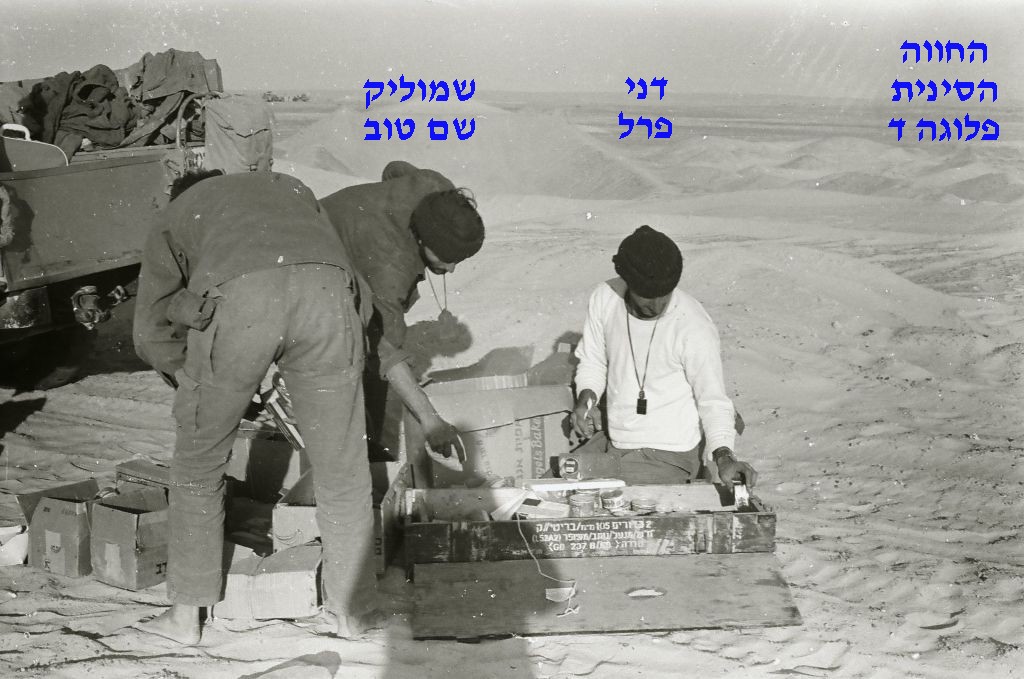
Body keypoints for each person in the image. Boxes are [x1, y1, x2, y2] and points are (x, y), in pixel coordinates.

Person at [132, 169, 378, 644]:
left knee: (199, 466)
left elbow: (149, 332)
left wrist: (194, 380)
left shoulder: (176, 212)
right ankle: (352, 612)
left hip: (241, 302)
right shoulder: (289, 188)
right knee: (343, 468)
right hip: (328, 298)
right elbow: (361, 298)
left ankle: (185, 618)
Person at [568, 225, 757, 487]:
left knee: (586, 502)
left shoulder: (693, 325)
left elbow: (713, 399)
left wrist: (724, 456)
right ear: (628, 282)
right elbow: (593, 360)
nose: (656, 305)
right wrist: (586, 401)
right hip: (614, 442)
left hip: (668, 453)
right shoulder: (605, 298)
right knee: (543, 492)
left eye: (664, 295)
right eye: (646, 296)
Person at [319, 160, 484, 460]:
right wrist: (429, 417)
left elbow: (394, 170)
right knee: (367, 354)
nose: (451, 268)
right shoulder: (389, 268)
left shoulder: (437, 190)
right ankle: (375, 450)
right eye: (447, 258)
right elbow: (385, 350)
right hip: (317, 252)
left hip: (343, 220)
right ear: (424, 240)